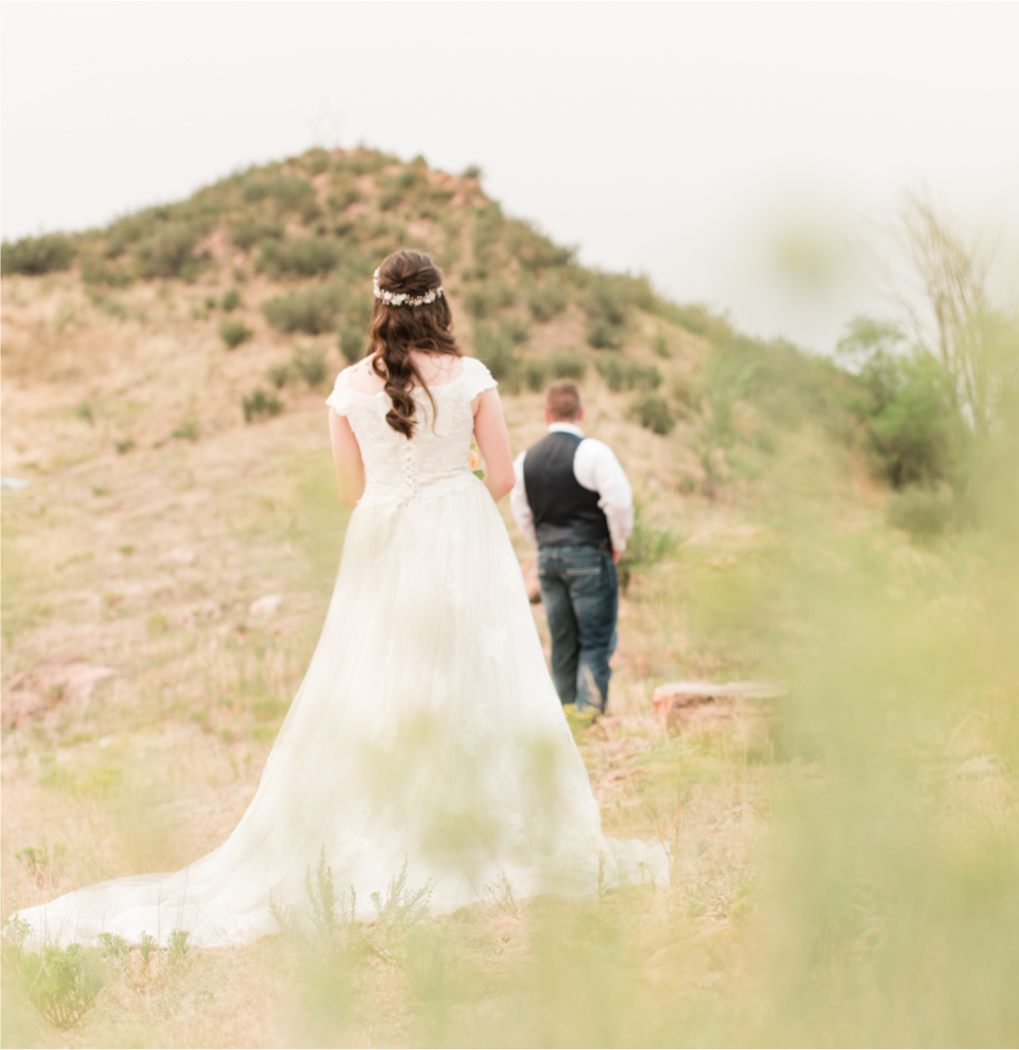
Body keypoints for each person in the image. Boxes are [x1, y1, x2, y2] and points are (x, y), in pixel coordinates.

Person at [11, 250, 668, 951]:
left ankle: (391, 822)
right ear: (439, 303)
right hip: (459, 542)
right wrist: (451, 482)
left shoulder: (348, 387)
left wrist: (404, 489)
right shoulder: (472, 377)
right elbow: (502, 477)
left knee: (379, 684)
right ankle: (477, 828)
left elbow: (351, 492)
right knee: (476, 680)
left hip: (381, 546)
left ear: (380, 305)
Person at [510, 382, 632, 724]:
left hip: (548, 559)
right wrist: (617, 544)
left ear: (546, 415)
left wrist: (545, 542)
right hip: (590, 555)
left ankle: (563, 719)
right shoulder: (594, 452)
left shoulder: (524, 460)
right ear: (580, 413)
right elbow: (619, 503)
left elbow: (521, 512)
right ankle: (587, 717)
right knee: (594, 640)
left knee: (561, 640)